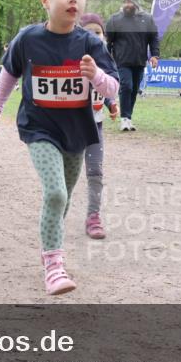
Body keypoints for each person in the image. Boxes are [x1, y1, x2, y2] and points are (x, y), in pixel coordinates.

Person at [0, 0, 119, 295]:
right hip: (39, 128)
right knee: (56, 193)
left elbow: (114, 88)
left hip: (77, 132)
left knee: (64, 198)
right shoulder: (28, 39)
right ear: (45, 0)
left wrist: (95, 76)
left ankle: (50, 244)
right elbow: (8, 75)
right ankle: (54, 265)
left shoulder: (90, 43)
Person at [79, 14, 120, 239]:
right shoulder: (75, 61)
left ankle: (93, 216)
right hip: (73, 128)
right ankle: (58, 212)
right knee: (69, 174)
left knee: (95, 171)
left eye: (98, 32)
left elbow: (105, 87)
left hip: (96, 127)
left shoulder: (104, 62)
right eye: (88, 32)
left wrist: (111, 103)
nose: (94, 36)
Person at [105, 0, 160, 132]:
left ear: (136, 4)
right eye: (125, 2)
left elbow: (153, 38)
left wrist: (154, 55)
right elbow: (109, 42)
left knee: (134, 89)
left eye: (130, 2)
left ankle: (128, 118)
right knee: (127, 86)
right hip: (122, 60)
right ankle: (124, 119)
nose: (127, 5)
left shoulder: (147, 19)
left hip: (139, 61)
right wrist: (107, 58)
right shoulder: (114, 20)